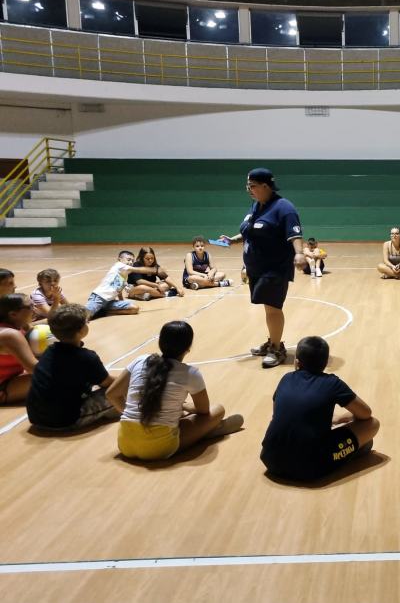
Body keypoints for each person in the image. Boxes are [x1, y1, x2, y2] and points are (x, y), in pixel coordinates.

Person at [106, 321, 244, 460]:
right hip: (159, 449)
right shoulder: (190, 373)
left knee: (173, 414)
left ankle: (195, 429)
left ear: (160, 342)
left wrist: (132, 414)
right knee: (218, 410)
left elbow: (111, 394)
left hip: (125, 443)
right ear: (188, 347)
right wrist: (183, 405)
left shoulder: (140, 360)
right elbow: (203, 410)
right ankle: (208, 431)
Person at [261, 335, 379, 481]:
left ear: (297, 363)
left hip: (270, 460)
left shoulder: (286, 378)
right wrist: (347, 418)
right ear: (326, 363)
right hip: (311, 468)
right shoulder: (333, 383)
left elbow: (277, 413)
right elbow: (366, 414)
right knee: (372, 425)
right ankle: (349, 452)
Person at [220, 168, 305, 369]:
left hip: (275, 268)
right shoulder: (257, 205)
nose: (249, 190)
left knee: (273, 308)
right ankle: (272, 341)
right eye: (247, 186)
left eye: (253, 186)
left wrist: (299, 254)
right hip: (257, 268)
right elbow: (253, 230)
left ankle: (277, 349)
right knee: (268, 308)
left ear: (266, 186)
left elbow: (295, 234)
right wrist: (234, 240)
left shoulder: (284, 208)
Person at [26, 304, 119, 430]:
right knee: (121, 392)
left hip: (35, 417)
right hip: (65, 420)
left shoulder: (49, 351)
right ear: (80, 331)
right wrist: (128, 379)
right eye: (87, 322)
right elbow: (108, 383)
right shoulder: (86, 357)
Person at [85, 250, 160, 318]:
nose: (130, 262)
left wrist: (121, 301)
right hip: (99, 297)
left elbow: (119, 291)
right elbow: (138, 269)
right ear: (119, 259)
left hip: (109, 301)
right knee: (83, 316)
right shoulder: (119, 266)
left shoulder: (125, 275)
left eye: (132, 261)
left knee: (135, 309)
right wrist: (154, 270)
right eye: (128, 260)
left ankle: (103, 311)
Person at [0, 294, 38, 405]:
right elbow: (36, 370)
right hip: (3, 387)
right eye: (30, 306)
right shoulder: (10, 335)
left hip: (11, 379)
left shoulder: (16, 326)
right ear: (13, 314)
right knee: (61, 374)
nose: (35, 308)